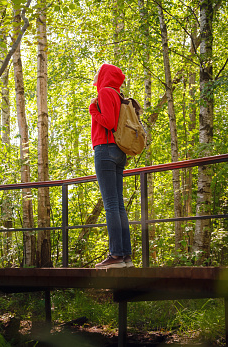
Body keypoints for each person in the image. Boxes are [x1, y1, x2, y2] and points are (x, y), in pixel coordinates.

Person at [89, 63, 134, 269]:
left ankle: (116, 255)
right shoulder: (117, 94)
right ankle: (125, 256)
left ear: (105, 75)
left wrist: (93, 111)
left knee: (111, 205)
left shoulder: (106, 93)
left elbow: (108, 122)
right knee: (118, 205)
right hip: (118, 151)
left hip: (105, 150)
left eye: (99, 73)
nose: (97, 77)